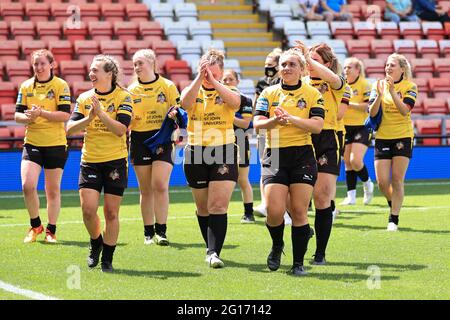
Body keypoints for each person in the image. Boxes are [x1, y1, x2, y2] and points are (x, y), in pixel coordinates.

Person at [254, 48, 325, 276]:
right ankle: (277, 245)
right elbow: (257, 123)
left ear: (302, 69)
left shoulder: (313, 93)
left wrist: (291, 119)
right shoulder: (268, 93)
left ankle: (298, 264)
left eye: (292, 64)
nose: (286, 68)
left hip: (302, 154)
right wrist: (275, 120)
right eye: (283, 64)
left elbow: (317, 126)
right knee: (274, 211)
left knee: (298, 210)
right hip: (274, 154)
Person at [67, 55, 133, 272]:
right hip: (90, 161)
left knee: (111, 213)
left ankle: (107, 259)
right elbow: (70, 129)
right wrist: (90, 118)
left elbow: (120, 130)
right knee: (87, 210)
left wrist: (101, 114)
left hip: (115, 161)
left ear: (110, 74)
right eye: (90, 69)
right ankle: (96, 241)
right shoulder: (85, 98)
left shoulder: (124, 97)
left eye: (96, 70)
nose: (91, 74)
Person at [180, 49, 241, 268]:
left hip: (223, 149)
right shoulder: (193, 89)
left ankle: (214, 252)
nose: (209, 77)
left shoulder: (228, 89)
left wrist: (215, 82)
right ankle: (210, 246)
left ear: (221, 72)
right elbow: (184, 104)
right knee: (203, 207)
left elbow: (235, 103)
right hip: (196, 151)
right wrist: (199, 77)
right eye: (206, 73)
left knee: (217, 205)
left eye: (214, 73)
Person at [297, 41, 347, 265]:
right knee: (297, 200)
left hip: (327, 137)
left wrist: (307, 58)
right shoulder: (301, 83)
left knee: (322, 196)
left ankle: (320, 253)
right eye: (308, 61)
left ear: (327, 63)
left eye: (315, 61)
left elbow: (335, 80)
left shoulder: (337, 82)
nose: (309, 65)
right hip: (302, 137)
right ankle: (304, 228)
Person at [15, 49, 71, 244]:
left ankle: (51, 231)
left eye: (42, 64)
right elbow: (17, 115)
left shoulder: (60, 85)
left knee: (52, 190)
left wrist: (42, 114)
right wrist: (27, 117)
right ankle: (35, 225)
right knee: (27, 186)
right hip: (32, 143)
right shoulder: (25, 86)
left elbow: (65, 115)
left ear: (51, 65)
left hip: (55, 144)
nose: (38, 67)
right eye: (35, 64)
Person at [128, 49, 180, 246]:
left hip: (163, 138)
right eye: (134, 64)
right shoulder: (131, 90)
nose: (137, 67)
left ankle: (161, 231)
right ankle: (148, 232)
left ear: (151, 63)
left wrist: (176, 115)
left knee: (159, 184)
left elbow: (179, 109)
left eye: (140, 63)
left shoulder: (167, 86)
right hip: (139, 139)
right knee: (145, 189)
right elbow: (126, 117)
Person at [368, 53, 417, 231]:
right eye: (387, 65)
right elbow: (372, 113)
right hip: (382, 137)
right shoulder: (377, 85)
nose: (388, 68)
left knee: (397, 180)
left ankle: (393, 218)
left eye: (392, 65)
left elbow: (404, 110)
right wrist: (381, 95)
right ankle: (393, 203)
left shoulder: (410, 86)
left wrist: (392, 92)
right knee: (382, 182)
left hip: (402, 136)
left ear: (402, 69)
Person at [222, 69, 255, 224]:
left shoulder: (245, 100)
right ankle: (219, 213)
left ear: (237, 81)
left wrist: (229, 115)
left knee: (242, 179)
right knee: (221, 180)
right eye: (224, 80)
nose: (227, 82)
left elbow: (245, 123)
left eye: (230, 79)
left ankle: (249, 213)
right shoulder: (217, 99)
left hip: (240, 141)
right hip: (221, 141)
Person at [341, 57, 374, 206]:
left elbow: (367, 106)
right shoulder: (342, 84)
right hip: (344, 127)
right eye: (345, 67)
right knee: (347, 162)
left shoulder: (364, 85)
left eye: (349, 67)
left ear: (358, 70)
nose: (346, 70)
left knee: (355, 160)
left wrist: (348, 104)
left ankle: (367, 183)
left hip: (361, 126)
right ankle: (351, 196)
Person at [253, 48, 282, 218]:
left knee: (278, 169)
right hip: (265, 129)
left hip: (281, 130)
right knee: (266, 166)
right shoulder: (262, 83)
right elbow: (258, 104)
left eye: (270, 65)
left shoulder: (285, 82)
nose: (267, 68)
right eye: (266, 65)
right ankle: (265, 202)